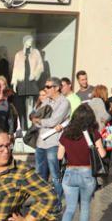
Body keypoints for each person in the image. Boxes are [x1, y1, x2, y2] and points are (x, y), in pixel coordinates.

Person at [57, 106, 107, 221]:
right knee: (84, 207)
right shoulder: (93, 133)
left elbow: (59, 156)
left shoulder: (66, 134)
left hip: (69, 173)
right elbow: (102, 155)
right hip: (87, 173)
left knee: (70, 208)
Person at [36, 77, 72, 207]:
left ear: (56, 88)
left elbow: (53, 121)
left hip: (53, 142)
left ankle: (56, 202)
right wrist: (39, 120)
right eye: (45, 86)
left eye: (48, 87)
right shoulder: (46, 101)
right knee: (40, 174)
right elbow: (34, 116)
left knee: (55, 174)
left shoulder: (64, 103)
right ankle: (41, 200)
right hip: (41, 142)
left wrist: (40, 121)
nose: (45, 89)